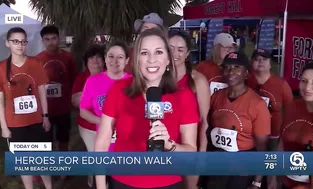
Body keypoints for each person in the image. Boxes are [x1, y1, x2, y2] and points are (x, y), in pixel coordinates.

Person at [95, 28, 200, 189]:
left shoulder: (184, 96)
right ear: (137, 60)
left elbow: (191, 154)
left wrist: (169, 144)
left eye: (158, 52)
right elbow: (101, 145)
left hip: (168, 183)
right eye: (144, 53)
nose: (151, 59)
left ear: (167, 60)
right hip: (122, 181)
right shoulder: (118, 90)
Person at [200, 51, 271, 189]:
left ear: (246, 73)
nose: (230, 71)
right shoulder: (215, 97)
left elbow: (262, 148)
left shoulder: (257, 104)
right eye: (226, 67)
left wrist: (257, 182)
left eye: (237, 67)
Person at [0, 27, 52, 189]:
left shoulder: (35, 63)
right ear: (8, 43)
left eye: (23, 41)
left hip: (35, 121)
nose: (20, 45)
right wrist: (4, 127)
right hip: (15, 124)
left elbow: (42, 92)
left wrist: (45, 116)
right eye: (15, 41)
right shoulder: (0, 68)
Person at [268, 61, 313, 189]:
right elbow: (281, 143)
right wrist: (273, 177)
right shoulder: (291, 107)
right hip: (286, 182)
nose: (307, 88)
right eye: (304, 80)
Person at [169, 30, 210, 189]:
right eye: (171, 48)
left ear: (187, 53)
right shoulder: (157, 78)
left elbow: (206, 121)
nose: (175, 53)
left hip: (189, 150)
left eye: (180, 49)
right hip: (165, 148)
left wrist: (201, 155)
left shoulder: (197, 80)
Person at [36, 25, 77, 156]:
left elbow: (74, 79)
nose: (51, 42)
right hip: (45, 109)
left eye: (53, 38)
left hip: (63, 107)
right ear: (42, 41)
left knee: (63, 138)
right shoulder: (37, 59)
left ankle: (64, 165)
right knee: (45, 140)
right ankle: (46, 166)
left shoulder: (68, 57)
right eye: (47, 39)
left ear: (59, 39)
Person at [71, 44, 105, 187]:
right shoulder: (81, 78)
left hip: (109, 125)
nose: (95, 60)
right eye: (91, 57)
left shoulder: (111, 75)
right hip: (88, 126)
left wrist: (87, 97)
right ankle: (93, 183)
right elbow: (75, 101)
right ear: (86, 61)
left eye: (98, 57)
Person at [247, 49, 293, 150]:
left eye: (264, 59)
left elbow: (290, 109)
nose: (260, 62)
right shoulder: (245, 81)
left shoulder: (281, 84)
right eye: (257, 59)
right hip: (249, 132)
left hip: (273, 134)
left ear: (270, 64)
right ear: (251, 63)